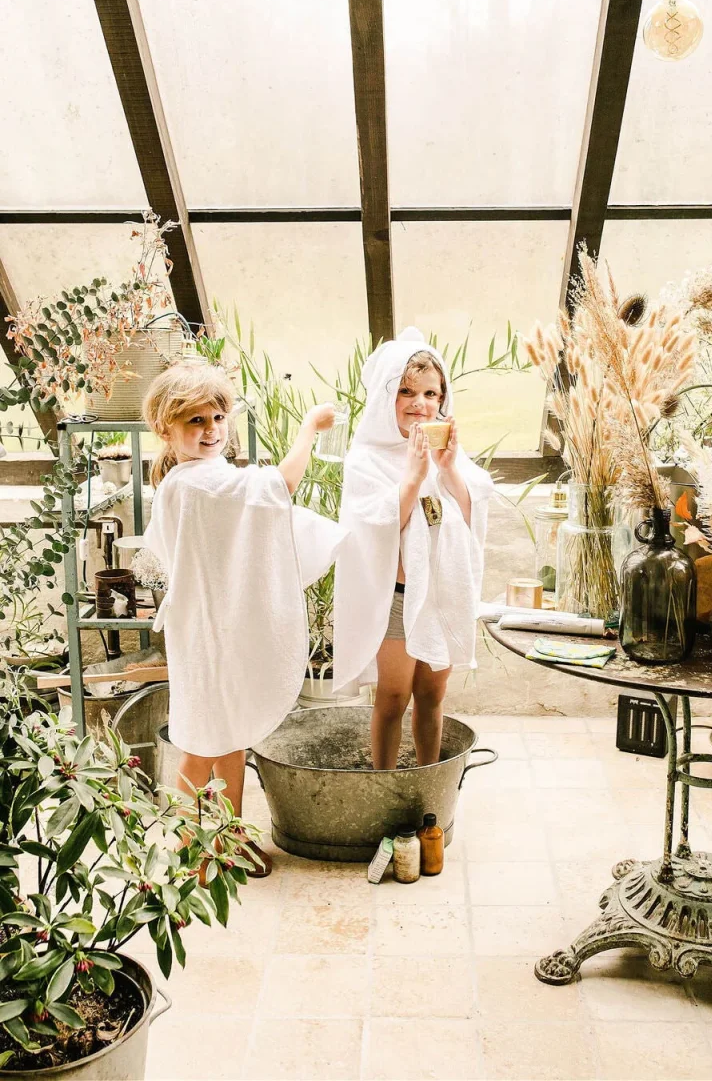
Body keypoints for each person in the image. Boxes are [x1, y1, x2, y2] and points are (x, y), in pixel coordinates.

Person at [142, 362, 345, 875]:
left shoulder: (197, 479)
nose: (211, 430)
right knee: (198, 741)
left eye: (218, 417)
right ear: (166, 429)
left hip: (214, 627)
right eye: (195, 421)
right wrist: (309, 427)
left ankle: (229, 836)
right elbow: (280, 486)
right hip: (207, 634)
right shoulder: (196, 485)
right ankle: (191, 848)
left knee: (230, 735)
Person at [333, 328, 494, 770]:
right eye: (405, 391)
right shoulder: (366, 457)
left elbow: (471, 514)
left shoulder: (450, 453)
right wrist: (412, 477)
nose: (418, 403)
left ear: (443, 398)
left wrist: (447, 469)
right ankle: (384, 781)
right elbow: (374, 528)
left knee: (432, 692)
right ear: (386, 396)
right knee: (393, 695)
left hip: (443, 593)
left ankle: (427, 778)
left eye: (430, 393)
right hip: (397, 598)